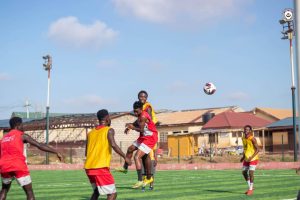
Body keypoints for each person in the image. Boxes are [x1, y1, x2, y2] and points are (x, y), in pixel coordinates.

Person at [0, 117, 63, 200]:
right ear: (18, 125)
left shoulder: (3, 138)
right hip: (18, 166)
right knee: (29, 192)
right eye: (22, 125)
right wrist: (56, 151)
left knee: (4, 190)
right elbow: (39, 145)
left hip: (4, 166)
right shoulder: (21, 135)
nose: (23, 127)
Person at [84, 109, 131, 200]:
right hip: (100, 168)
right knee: (112, 194)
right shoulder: (109, 130)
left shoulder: (90, 133)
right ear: (107, 118)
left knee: (96, 191)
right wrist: (126, 157)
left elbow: (86, 152)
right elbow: (113, 145)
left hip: (88, 168)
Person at [115, 101, 158, 189]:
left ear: (141, 109)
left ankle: (140, 180)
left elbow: (141, 129)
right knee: (130, 149)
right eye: (134, 111)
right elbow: (136, 122)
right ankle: (125, 168)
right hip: (144, 136)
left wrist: (132, 127)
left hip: (150, 137)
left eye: (136, 111)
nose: (135, 113)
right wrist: (129, 127)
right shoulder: (140, 115)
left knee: (137, 157)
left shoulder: (143, 115)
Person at [240, 125, 259, 196]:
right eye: (245, 129)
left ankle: (250, 190)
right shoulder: (243, 138)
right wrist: (243, 157)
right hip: (246, 158)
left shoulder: (252, 139)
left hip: (253, 158)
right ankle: (250, 187)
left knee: (251, 173)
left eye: (247, 130)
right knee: (244, 172)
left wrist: (251, 158)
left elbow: (258, 149)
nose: (246, 131)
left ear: (250, 131)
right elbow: (246, 149)